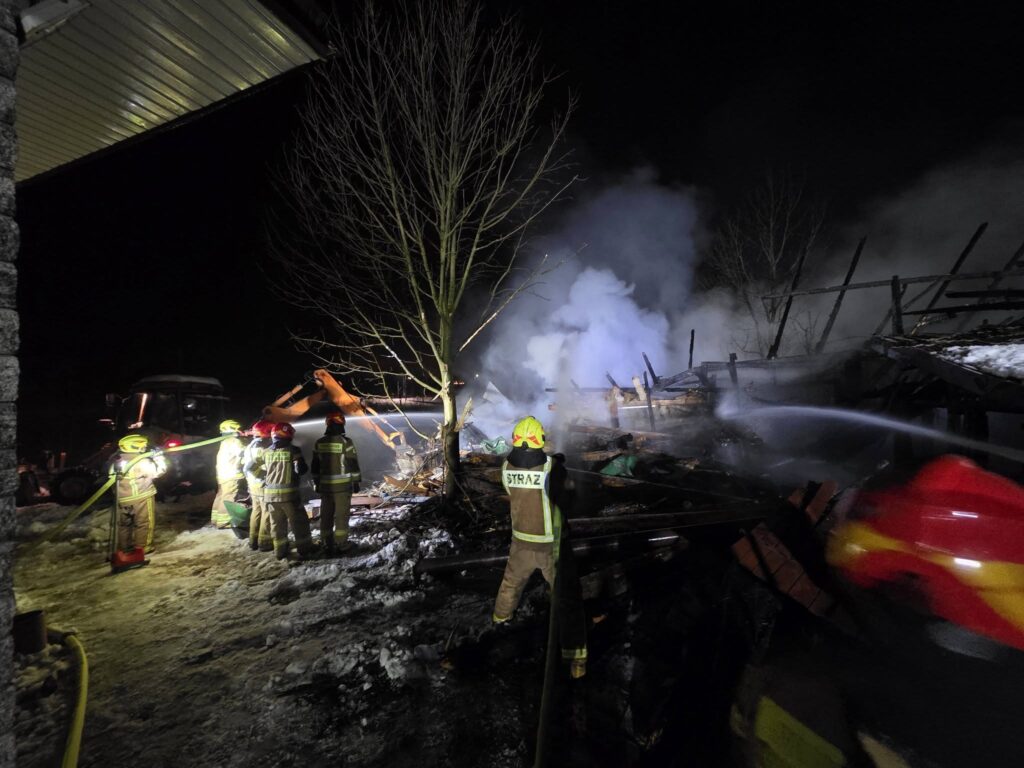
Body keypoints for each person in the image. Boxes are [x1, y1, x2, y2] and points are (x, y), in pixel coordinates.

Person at [492, 416, 588, 678]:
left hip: (520, 542)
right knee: (567, 598)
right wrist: (561, 471)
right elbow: (567, 498)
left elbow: (514, 491)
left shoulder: (506, 466)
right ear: (540, 439)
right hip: (551, 545)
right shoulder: (551, 468)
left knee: (510, 585)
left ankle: (500, 623)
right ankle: (576, 659)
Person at [247, 422, 314, 560]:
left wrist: (263, 477)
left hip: (270, 497)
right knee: (299, 523)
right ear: (288, 435)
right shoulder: (293, 451)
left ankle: (280, 551)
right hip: (289, 497)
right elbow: (300, 470)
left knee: (277, 525)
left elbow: (250, 467)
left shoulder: (266, 452)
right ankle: (305, 549)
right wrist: (300, 462)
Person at [311, 411, 362, 555]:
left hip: (325, 487)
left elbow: (315, 465)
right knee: (341, 516)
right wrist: (356, 481)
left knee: (326, 516)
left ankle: (326, 543)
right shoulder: (346, 442)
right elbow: (352, 463)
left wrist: (316, 482)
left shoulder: (319, 443)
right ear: (342, 424)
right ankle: (342, 544)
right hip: (342, 488)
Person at [110, 433, 167, 560]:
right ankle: (144, 547)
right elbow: (159, 472)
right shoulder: (141, 461)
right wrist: (159, 458)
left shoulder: (117, 461)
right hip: (141, 497)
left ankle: (124, 548)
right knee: (144, 523)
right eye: (143, 446)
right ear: (136, 446)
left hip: (122, 499)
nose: (144, 448)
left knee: (124, 525)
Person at [243, 419, 274, 551]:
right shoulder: (262, 448)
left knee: (256, 511)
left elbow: (245, 467)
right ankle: (264, 542)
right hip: (261, 485)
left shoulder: (250, 446)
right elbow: (261, 467)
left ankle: (253, 540)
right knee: (267, 512)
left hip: (253, 485)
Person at [211, 419, 246, 529]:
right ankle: (224, 522)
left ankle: (215, 519)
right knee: (229, 497)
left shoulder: (224, 441)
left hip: (222, 474)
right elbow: (242, 454)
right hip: (231, 475)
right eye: (238, 429)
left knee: (220, 495)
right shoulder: (235, 441)